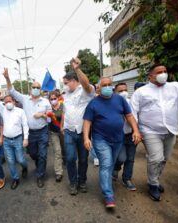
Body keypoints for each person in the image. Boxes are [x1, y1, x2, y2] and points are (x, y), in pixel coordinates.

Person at [131, 65, 178, 201]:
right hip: (149, 130)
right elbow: (133, 112)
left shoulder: (175, 87)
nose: (163, 74)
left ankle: (154, 179)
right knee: (156, 158)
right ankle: (153, 185)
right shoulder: (141, 92)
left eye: (165, 71)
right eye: (159, 72)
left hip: (170, 130)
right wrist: (136, 130)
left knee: (164, 159)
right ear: (151, 76)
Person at [83, 77, 141, 208]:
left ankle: (110, 176)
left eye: (110, 84)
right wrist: (86, 138)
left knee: (118, 160)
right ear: (99, 87)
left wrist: (135, 130)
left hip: (117, 139)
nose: (107, 87)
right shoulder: (93, 103)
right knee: (106, 164)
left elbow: (129, 116)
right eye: (104, 85)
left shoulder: (120, 100)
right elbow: (87, 121)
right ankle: (108, 195)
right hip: (100, 139)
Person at [3, 68, 52, 188]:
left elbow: (50, 119)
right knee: (33, 154)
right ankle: (38, 162)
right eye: (34, 87)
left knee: (43, 155)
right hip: (30, 133)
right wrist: (7, 78)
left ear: (40, 90)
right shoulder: (24, 99)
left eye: (38, 87)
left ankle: (40, 176)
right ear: (31, 89)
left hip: (43, 132)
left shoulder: (46, 102)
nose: (35, 89)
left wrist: (43, 115)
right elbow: (12, 91)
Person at [60, 57, 95, 195]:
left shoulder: (85, 91)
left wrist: (77, 69)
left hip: (83, 132)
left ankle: (82, 181)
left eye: (66, 83)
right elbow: (65, 111)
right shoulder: (66, 95)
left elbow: (86, 84)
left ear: (74, 81)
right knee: (69, 158)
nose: (64, 85)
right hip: (69, 131)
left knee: (83, 159)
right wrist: (62, 125)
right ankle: (73, 182)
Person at [0, 82, 29, 189]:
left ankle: (25, 167)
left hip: (18, 139)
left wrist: (25, 139)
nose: (7, 103)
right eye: (5, 102)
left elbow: (25, 125)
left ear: (14, 102)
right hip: (6, 140)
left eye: (9, 101)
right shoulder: (2, 110)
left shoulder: (20, 111)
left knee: (20, 159)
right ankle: (15, 178)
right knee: (10, 161)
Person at [112, 83, 138, 191]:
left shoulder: (132, 103)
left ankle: (127, 179)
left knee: (130, 159)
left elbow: (136, 117)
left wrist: (137, 131)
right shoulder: (111, 104)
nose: (123, 93)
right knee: (121, 158)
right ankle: (116, 168)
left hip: (131, 134)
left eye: (125, 90)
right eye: (120, 91)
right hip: (118, 137)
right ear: (115, 92)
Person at [46, 91, 64, 182]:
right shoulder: (48, 109)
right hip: (53, 133)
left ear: (58, 98)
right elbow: (47, 121)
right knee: (57, 151)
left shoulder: (63, 106)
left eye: (54, 98)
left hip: (64, 132)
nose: (53, 100)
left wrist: (62, 127)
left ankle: (64, 160)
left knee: (65, 151)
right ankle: (58, 172)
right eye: (51, 99)